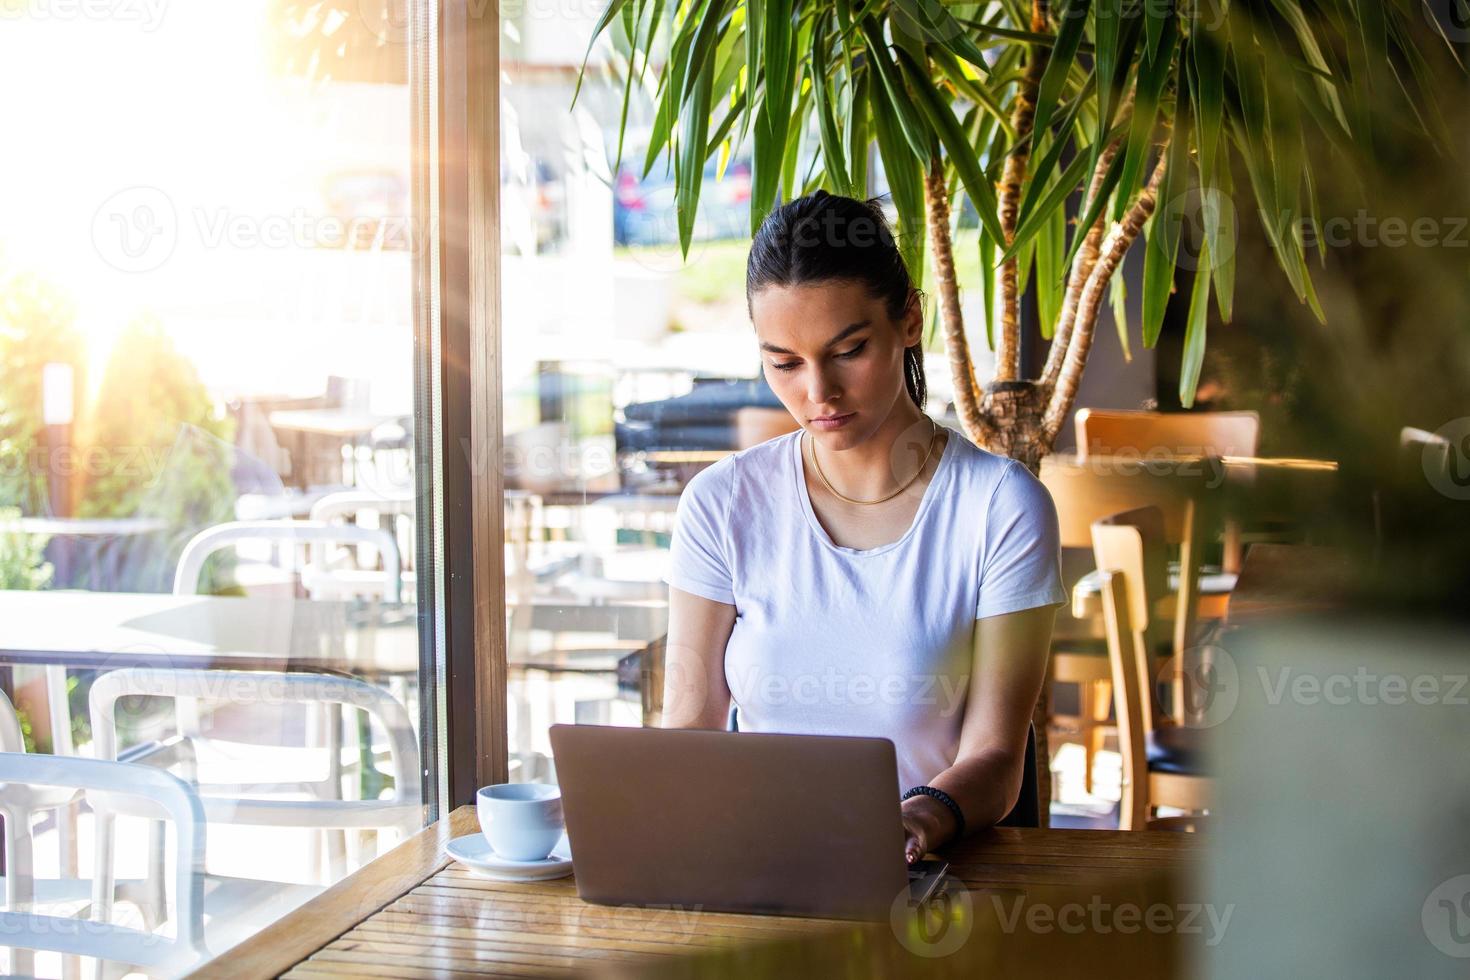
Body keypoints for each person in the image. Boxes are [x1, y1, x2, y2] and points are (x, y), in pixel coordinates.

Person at [660, 190, 1066, 863]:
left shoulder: (999, 508)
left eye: (848, 350)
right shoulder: (721, 504)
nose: (818, 393)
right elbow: (691, 723)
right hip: (753, 865)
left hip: (922, 875)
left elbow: (996, 755)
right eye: (784, 364)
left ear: (909, 318)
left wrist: (918, 820)